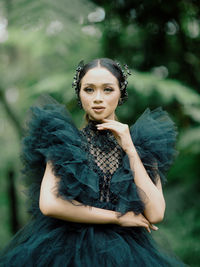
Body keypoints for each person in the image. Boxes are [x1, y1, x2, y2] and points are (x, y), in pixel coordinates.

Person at [0, 58, 187, 266]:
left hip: (127, 254)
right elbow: (49, 204)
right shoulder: (65, 142)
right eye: (89, 89)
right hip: (67, 250)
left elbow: (156, 212)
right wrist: (118, 217)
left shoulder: (142, 144)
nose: (98, 98)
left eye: (107, 89)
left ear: (120, 93)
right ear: (80, 94)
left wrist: (130, 149)